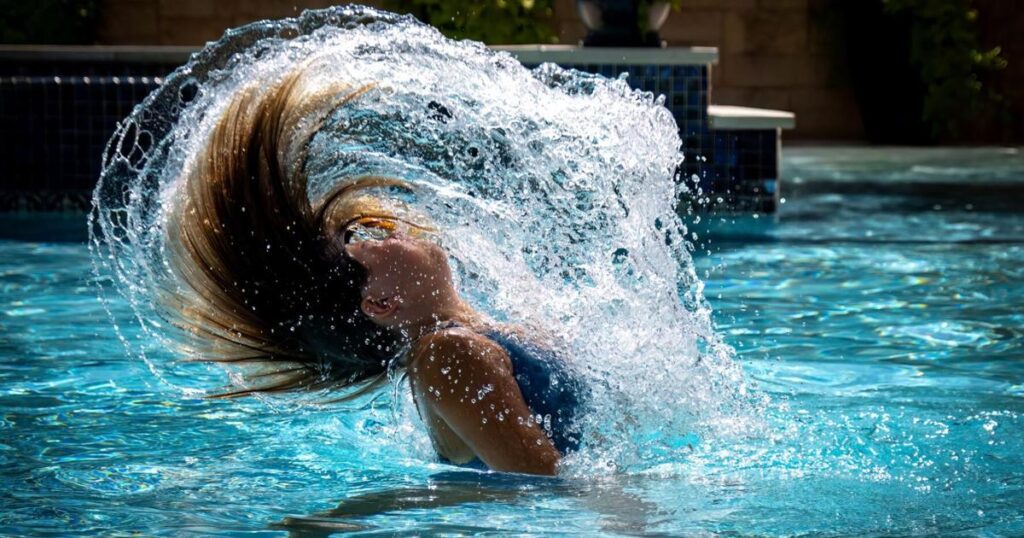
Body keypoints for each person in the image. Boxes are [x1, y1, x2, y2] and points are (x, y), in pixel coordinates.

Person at [164, 68, 584, 476]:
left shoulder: (474, 336)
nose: (392, 231)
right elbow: (544, 484)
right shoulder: (448, 354)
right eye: (369, 244)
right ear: (381, 303)